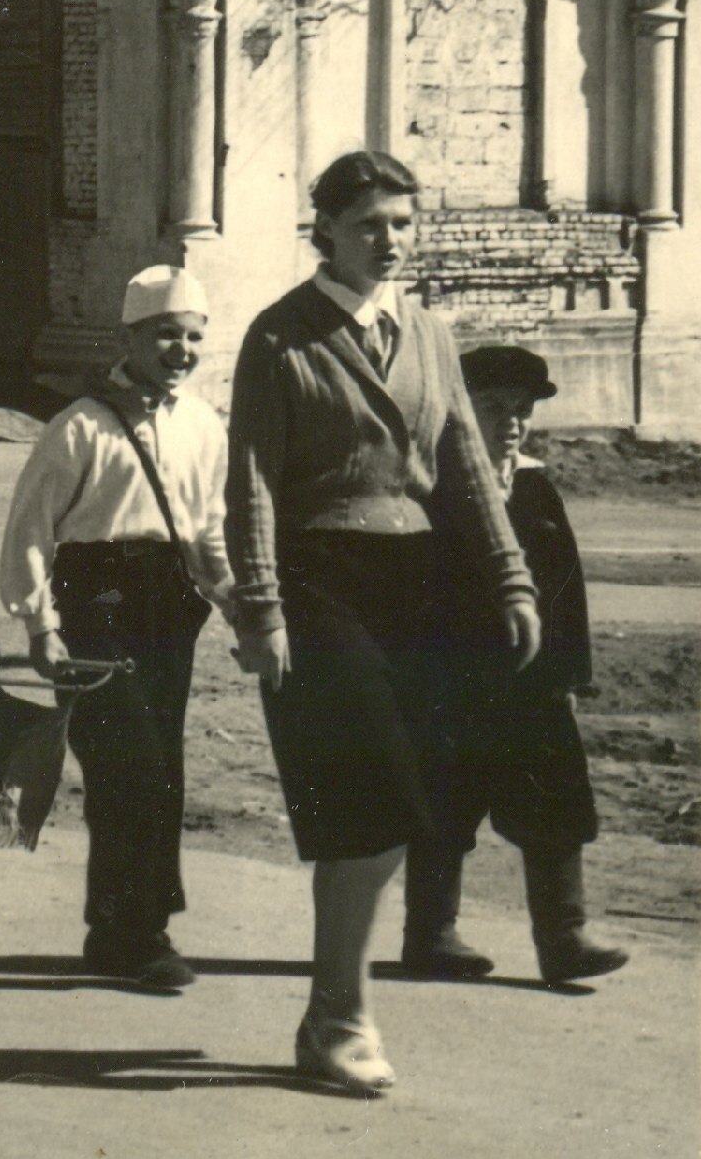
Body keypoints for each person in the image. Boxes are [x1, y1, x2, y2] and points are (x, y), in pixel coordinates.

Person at [226, 149, 538, 1096]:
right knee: (367, 804)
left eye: (403, 223)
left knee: (396, 810)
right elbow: (252, 481)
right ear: (325, 230)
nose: (390, 241)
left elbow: (467, 466)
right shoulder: (280, 335)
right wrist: (262, 606)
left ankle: (330, 1012)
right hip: (320, 583)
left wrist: (512, 580)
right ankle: (342, 1018)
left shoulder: (430, 334)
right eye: (370, 225)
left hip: (415, 585)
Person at [0, 265, 236, 988]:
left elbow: (207, 527)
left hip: (170, 603)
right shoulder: (81, 425)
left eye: (192, 337)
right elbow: (31, 531)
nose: (180, 350)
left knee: (162, 765)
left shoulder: (203, 425)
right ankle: (126, 930)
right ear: (127, 337)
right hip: (96, 599)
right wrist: (41, 626)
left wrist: (236, 600)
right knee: (126, 765)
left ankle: (140, 923)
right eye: (165, 334)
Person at [398, 344, 629, 987]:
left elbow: (566, 589)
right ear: (460, 410)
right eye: (497, 407)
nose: (513, 422)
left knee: (556, 801)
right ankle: (432, 935)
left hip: (533, 685)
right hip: (452, 682)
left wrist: (569, 676)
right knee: (445, 806)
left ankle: (565, 937)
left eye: (523, 409)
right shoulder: (431, 486)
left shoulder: (534, 487)